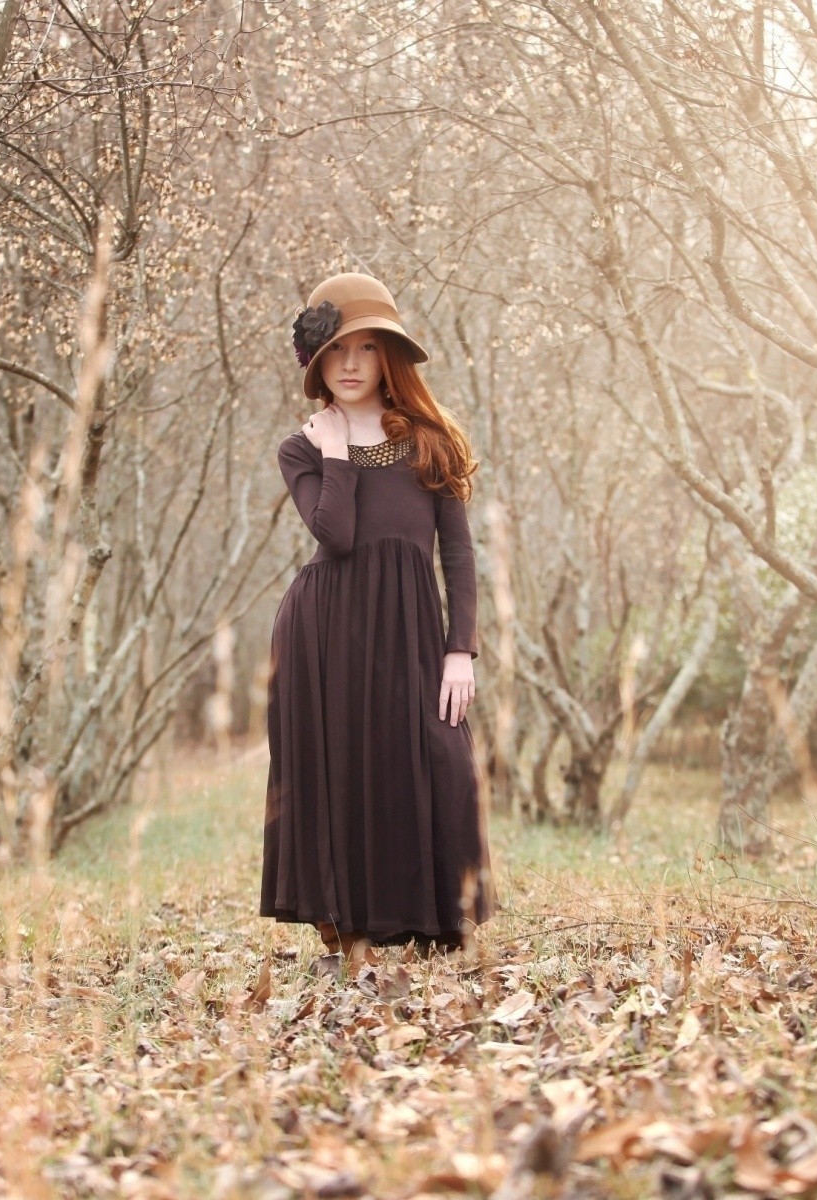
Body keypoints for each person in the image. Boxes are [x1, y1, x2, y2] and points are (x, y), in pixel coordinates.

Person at [259, 272, 494, 974]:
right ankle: (352, 932)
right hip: (324, 634)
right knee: (342, 773)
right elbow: (335, 536)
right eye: (337, 351)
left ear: (388, 355)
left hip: (414, 632)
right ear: (319, 363)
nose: (353, 363)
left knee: (437, 759)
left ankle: (435, 922)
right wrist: (336, 454)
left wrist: (461, 651)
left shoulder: (429, 441)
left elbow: (457, 553)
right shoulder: (302, 448)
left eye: (367, 347)